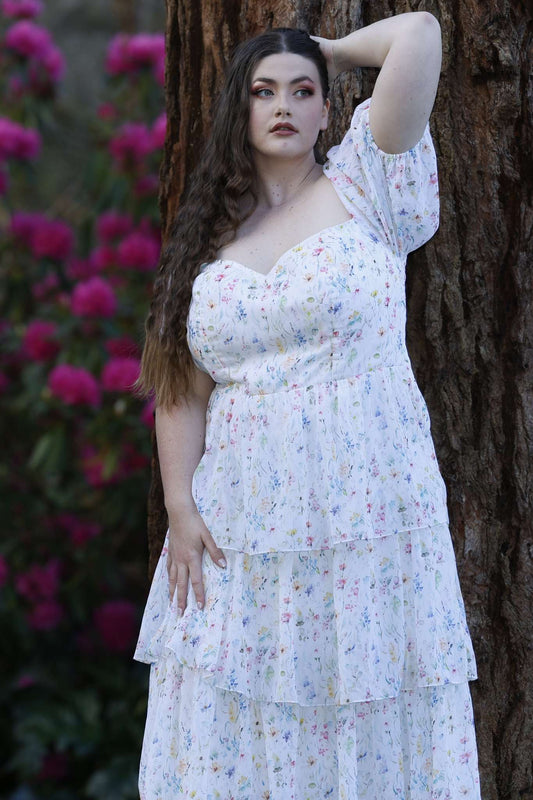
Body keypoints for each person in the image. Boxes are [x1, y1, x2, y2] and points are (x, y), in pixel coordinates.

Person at [134, 11, 481, 799]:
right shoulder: (208, 240)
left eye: (301, 91)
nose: (283, 105)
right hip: (241, 524)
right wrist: (181, 509)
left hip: (366, 510)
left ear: (329, 109)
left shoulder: (366, 183)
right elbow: (183, 387)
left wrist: (315, 49)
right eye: (263, 90)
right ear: (240, 110)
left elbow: (419, 34)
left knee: (360, 693)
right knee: (242, 708)